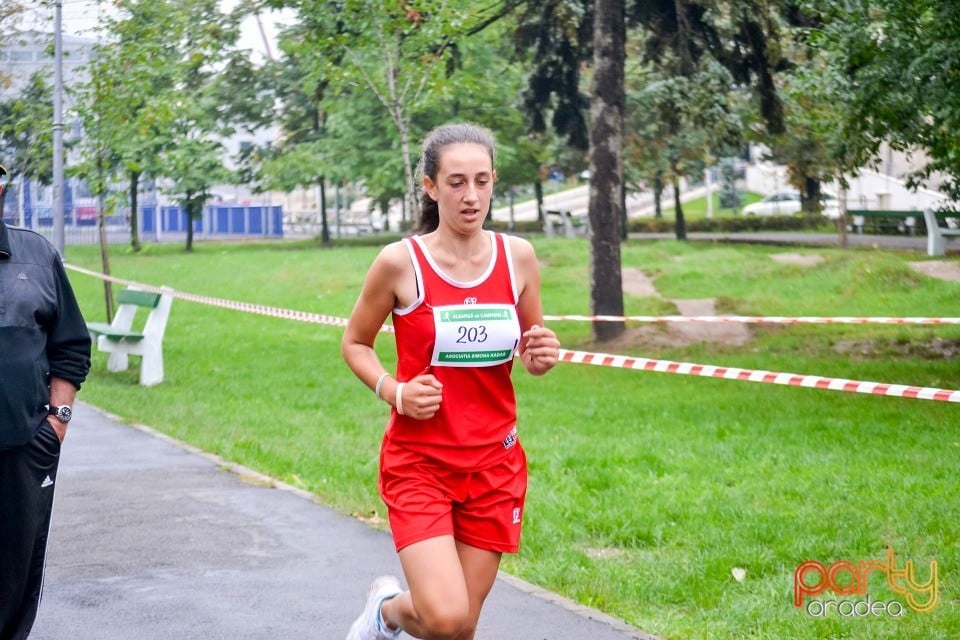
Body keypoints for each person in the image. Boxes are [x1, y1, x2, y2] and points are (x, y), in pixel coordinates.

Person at [341, 123, 560, 640]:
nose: (471, 196)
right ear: (431, 186)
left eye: (482, 181)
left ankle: (392, 614)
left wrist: (542, 354)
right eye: (457, 182)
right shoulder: (401, 263)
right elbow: (355, 343)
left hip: (493, 463)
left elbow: (532, 346)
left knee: (460, 627)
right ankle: (386, 611)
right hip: (421, 462)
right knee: (443, 617)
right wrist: (393, 391)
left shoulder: (518, 258)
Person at [0, 187, 92, 640]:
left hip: (22, 451)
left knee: (15, 570)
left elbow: (70, 345)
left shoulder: (36, 256)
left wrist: (56, 423)